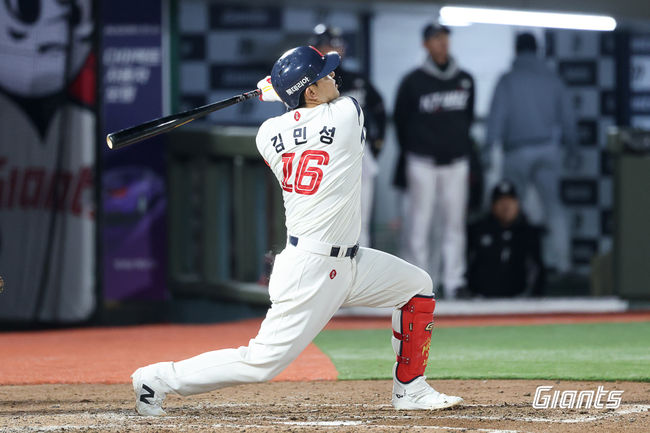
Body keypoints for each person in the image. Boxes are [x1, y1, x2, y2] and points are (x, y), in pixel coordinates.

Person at [131, 46, 462, 416]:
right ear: (312, 92)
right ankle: (157, 378)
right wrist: (280, 93)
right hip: (312, 269)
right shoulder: (347, 115)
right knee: (260, 363)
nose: (334, 76)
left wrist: (281, 95)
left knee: (417, 286)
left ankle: (411, 390)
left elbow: (296, 120)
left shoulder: (267, 133)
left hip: (348, 261)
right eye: (324, 74)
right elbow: (319, 113)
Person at [485, 32, 578, 273]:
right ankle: (563, 263)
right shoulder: (552, 78)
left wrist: (488, 148)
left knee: (510, 209)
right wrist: (573, 148)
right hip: (547, 149)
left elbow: (496, 117)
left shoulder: (508, 80)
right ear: (537, 50)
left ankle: (513, 262)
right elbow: (568, 117)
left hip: (517, 152)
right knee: (553, 207)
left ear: (516, 50)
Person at [394, 23, 475, 298]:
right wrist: (416, 149)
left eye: (445, 38)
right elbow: (401, 121)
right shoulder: (413, 81)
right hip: (422, 162)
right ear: (425, 44)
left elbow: (467, 119)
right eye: (436, 39)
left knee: (454, 224)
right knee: (419, 223)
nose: (442, 43)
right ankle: (417, 285)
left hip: (456, 162)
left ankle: (454, 281)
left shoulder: (465, 78)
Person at [309, 24, 386, 247]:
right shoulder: (307, 83)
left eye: (337, 45)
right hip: (324, 157)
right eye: (328, 45)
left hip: (358, 152)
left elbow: (379, 109)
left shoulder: (355, 79)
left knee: (361, 221)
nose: (334, 50)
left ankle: (361, 268)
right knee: (326, 222)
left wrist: (377, 144)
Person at [467, 181, 546, 297]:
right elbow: (467, 264)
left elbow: (537, 270)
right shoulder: (477, 230)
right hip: (480, 300)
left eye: (510, 201)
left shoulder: (528, 233)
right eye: (501, 201)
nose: (506, 206)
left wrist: (530, 298)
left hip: (519, 300)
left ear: (517, 204)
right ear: (493, 205)